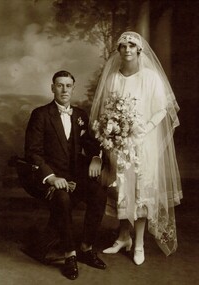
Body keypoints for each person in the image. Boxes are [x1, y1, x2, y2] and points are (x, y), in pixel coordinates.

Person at [89, 31, 183, 265]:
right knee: (121, 190)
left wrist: (144, 129)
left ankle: (138, 243)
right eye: (123, 46)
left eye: (132, 45)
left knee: (140, 192)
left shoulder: (150, 77)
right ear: (119, 51)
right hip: (119, 145)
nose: (128, 49)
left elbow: (162, 109)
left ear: (139, 51)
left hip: (143, 143)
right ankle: (123, 237)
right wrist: (113, 131)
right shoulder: (113, 79)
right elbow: (106, 111)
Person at [23, 70, 107, 280]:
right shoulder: (40, 114)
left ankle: (86, 248)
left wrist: (96, 157)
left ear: (73, 88)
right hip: (48, 178)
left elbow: (90, 143)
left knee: (98, 191)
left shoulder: (80, 115)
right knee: (62, 197)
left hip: (73, 176)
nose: (64, 90)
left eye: (68, 85)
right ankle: (70, 255)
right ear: (52, 88)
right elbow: (33, 152)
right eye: (59, 85)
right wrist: (51, 177)